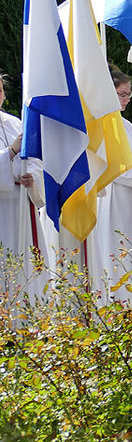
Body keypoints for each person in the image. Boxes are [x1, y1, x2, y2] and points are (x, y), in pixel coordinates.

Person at [85, 66, 132, 311]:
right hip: (112, 198)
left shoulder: (126, 125)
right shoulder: (100, 124)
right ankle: (116, 305)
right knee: (116, 250)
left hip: (131, 199)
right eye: (122, 94)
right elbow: (107, 167)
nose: (127, 99)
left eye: (129, 94)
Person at [0, 70, 47, 322]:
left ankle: (28, 321)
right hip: (2, 212)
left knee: (27, 265)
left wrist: (32, 179)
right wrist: (10, 152)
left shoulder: (15, 123)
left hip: (22, 207)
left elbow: (36, 160)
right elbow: (15, 152)